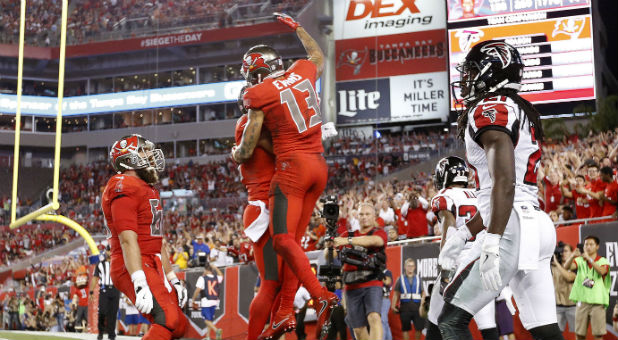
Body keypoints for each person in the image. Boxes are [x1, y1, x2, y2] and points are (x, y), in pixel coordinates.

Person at [437, 40, 564, 340]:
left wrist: (492, 241)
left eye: (471, 71)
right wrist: (465, 234)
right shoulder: (517, 108)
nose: (466, 79)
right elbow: (501, 193)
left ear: (490, 72)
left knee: (450, 321)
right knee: (545, 329)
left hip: (511, 227)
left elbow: (504, 183)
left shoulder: (490, 108)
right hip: (534, 222)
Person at [232, 12, 337, 340]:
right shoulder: (297, 75)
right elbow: (317, 57)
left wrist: (235, 153)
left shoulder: (259, 103)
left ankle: (283, 315)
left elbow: (250, 148)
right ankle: (271, 322)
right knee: (271, 283)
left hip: (280, 190)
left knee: (285, 269)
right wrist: (296, 28)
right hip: (267, 201)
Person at [102, 134, 189, 340]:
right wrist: (138, 280)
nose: (150, 155)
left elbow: (157, 242)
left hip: (151, 261)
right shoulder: (122, 185)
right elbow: (127, 240)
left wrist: (173, 278)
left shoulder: (147, 188)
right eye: (143, 151)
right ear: (128, 158)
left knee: (180, 326)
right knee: (168, 319)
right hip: (132, 264)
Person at [427, 156, 498, 340]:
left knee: (436, 318)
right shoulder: (478, 194)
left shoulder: (445, 196)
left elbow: (449, 229)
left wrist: (445, 268)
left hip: (459, 258)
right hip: (482, 259)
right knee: (487, 323)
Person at [234, 90, 285, 340]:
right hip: (264, 205)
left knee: (282, 285)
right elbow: (283, 152)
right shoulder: (250, 123)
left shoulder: (250, 122)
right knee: (270, 283)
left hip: (268, 203)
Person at [332, 203, 387, 340]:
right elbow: (334, 253)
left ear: (374, 217)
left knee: (374, 317)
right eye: (361, 214)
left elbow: (376, 241)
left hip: (372, 282)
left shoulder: (378, 232)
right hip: (351, 287)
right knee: (358, 328)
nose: (364, 217)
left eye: (367, 214)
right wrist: (332, 246)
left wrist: (347, 241)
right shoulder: (348, 234)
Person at [564, 235, 610, 340]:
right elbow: (566, 267)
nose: (588, 247)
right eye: (586, 244)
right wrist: (572, 256)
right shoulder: (579, 260)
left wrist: (589, 259)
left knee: (598, 335)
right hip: (582, 301)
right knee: (579, 334)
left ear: (597, 246)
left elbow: (602, 271)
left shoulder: (603, 260)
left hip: (598, 302)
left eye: (591, 244)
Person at [90, 247, 121, 340]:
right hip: (104, 290)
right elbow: (95, 278)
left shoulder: (118, 263)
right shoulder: (100, 264)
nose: (110, 252)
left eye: (111, 250)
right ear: (105, 252)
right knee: (102, 312)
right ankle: (101, 332)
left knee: (113, 313)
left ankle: (111, 334)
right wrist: (91, 291)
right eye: (108, 250)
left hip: (115, 290)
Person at [392, 258, 425, 340]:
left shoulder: (418, 279)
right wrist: (393, 305)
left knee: (419, 328)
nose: (410, 268)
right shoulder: (400, 279)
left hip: (417, 306)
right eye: (408, 266)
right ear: (405, 267)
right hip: (405, 307)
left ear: (415, 267)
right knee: (405, 328)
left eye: (412, 266)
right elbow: (396, 294)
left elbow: (423, 294)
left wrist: (422, 306)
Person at [192, 263, 223, 340]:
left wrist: (193, 299)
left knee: (206, 320)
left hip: (206, 301)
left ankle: (217, 330)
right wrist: (215, 268)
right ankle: (208, 337)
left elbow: (197, 290)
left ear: (205, 270)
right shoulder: (215, 277)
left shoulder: (202, 278)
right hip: (214, 300)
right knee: (209, 320)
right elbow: (221, 276)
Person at [551, 243, 576, 333]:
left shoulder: (575, 265)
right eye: (561, 251)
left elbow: (569, 277)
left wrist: (557, 264)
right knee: (555, 334)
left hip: (573, 306)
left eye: (566, 251)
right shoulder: (552, 266)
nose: (563, 253)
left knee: (578, 334)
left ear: (571, 252)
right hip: (557, 306)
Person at [381, 268, 393, 340]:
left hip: (384, 299)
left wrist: (378, 276)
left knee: (382, 321)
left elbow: (388, 281)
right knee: (384, 322)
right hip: (377, 299)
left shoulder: (386, 272)